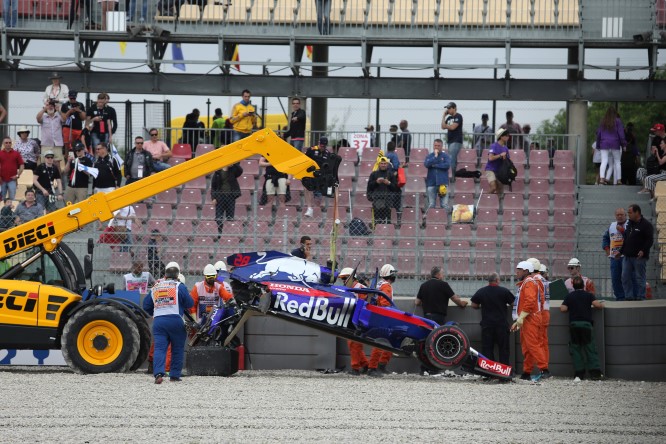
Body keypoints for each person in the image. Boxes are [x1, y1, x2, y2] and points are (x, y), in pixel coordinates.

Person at [142, 261, 194, 384]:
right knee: (177, 348)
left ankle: (158, 374)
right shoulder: (179, 286)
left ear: (165, 274)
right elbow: (190, 303)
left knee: (160, 348)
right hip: (176, 320)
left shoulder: (156, 286)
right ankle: (174, 375)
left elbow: (146, 305)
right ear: (177, 275)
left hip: (159, 321)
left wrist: (156, 311)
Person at [561, 275, 605, 381]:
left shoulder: (569, 296)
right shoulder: (588, 295)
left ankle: (579, 374)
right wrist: (601, 304)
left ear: (573, 285)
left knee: (576, 349)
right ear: (583, 285)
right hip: (586, 325)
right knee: (590, 348)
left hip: (574, 325)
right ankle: (595, 373)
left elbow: (563, 309)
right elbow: (598, 306)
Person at [510, 261, 546, 381]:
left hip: (530, 318)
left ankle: (544, 369)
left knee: (532, 345)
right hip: (528, 318)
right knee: (527, 347)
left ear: (526, 271)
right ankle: (527, 372)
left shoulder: (529, 283)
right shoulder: (527, 283)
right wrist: (519, 320)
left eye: (519, 269)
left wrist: (520, 318)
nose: (517, 272)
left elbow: (530, 302)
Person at [470, 272, 515, 366]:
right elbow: (514, 304)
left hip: (487, 325)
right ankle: (504, 372)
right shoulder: (504, 291)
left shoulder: (482, 291)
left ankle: (490, 372)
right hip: (501, 325)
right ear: (497, 280)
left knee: (487, 349)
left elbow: (474, 305)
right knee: (503, 349)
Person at [367, 264, 398, 377]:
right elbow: (385, 303)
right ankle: (372, 368)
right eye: (393, 273)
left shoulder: (379, 284)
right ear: (389, 275)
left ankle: (381, 366)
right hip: (384, 317)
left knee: (388, 342)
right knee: (381, 342)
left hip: (378, 315)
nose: (395, 276)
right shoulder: (386, 286)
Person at [338, 267, 369, 375]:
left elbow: (367, 305)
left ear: (352, 277)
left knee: (354, 344)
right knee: (353, 344)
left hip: (359, 320)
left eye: (345, 278)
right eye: (342, 279)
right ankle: (365, 365)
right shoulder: (349, 289)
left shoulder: (361, 288)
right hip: (352, 319)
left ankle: (355, 368)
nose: (343, 281)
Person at [620, 204, 654, 301]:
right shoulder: (629, 224)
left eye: (630, 212)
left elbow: (649, 240)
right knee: (625, 277)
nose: (628, 214)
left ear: (637, 212)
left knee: (639, 277)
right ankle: (629, 296)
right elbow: (626, 239)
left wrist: (643, 250)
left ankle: (640, 297)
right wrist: (621, 251)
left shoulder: (646, 225)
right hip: (627, 256)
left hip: (639, 257)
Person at [526, 257, 550, 378]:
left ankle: (543, 369)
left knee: (535, 343)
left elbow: (536, 299)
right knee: (541, 343)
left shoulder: (534, 280)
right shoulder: (543, 279)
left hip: (537, 313)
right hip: (544, 312)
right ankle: (541, 368)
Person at [602, 208, 631, 301]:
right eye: (617, 215)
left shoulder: (630, 224)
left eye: (621, 214)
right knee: (615, 279)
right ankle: (620, 297)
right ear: (615, 216)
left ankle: (629, 297)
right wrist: (606, 249)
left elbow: (632, 238)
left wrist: (622, 230)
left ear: (625, 215)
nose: (619, 216)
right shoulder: (612, 225)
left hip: (626, 257)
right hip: (614, 258)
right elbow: (605, 238)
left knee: (627, 278)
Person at [304, 136, 336, 217]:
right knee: (307, 189)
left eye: (324, 146)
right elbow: (304, 161)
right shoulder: (311, 150)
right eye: (321, 145)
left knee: (318, 198)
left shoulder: (327, 153)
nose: (322, 147)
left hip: (321, 177)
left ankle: (317, 213)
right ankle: (309, 208)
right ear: (319, 143)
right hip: (311, 174)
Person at [595, 106, 626, 185]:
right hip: (615, 143)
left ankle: (602, 178)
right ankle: (619, 180)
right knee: (617, 162)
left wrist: (598, 145)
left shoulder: (603, 121)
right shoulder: (618, 121)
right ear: (615, 113)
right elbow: (621, 134)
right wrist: (623, 144)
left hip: (604, 143)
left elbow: (599, 134)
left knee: (604, 161)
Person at [211, 162, 243, 234]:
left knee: (230, 218)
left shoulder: (233, 170)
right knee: (219, 217)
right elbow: (213, 187)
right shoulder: (217, 172)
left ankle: (228, 234)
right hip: (220, 197)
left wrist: (233, 164)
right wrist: (213, 198)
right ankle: (219, 232)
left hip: (230, 197)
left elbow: (240, 171)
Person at [367, 157, 399, 224]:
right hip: (377, 201)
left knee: (387, 221)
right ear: (379, 164)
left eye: (385, 163)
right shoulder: (373, 174)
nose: (383, 165)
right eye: (382, 163)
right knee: (377, 221)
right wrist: (376, 182)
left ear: (387, 164)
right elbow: (369, 187)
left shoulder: (391, 175)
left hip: (388, 201)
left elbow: (396, 188)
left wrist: (389, 183)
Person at [423, 138, 451, 213]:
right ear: (433, 146)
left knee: (444, 204)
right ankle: (431, 222)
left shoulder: (445, 156)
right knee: (431, 204)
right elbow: (426, 164)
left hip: (443, 183)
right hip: (431, 183)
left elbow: (447, 165)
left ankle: (446, 222)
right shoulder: (430, 156)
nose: (437, 147)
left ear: (442, 146)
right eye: (435, 145)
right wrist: (435, 157)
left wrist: (435, 165)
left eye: (438, 146)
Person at [37, 99, 65, 168]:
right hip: (46, 144)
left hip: (57, 144)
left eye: (52, 106)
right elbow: (37, 118)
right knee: (44, 164)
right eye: (49, 106)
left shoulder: (58, 116)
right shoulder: (43, 117)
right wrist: (44, 109)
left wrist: (59, 110)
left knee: (57, 164)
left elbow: (65, 119)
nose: (50, 107)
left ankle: (58, 178)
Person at [485, 128, 510, 196]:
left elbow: (507, 160)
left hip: (500, 171)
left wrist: (505, 158)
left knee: (500, 191)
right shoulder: (494, 146)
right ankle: (485, 199)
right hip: (490, 169)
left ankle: (497, 205)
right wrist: (500, 155)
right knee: (493, 188)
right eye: (506, 135)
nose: (508, 137)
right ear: (501, 136)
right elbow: (490, 158)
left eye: (508, 135)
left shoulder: (506, 148)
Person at [441, 102, 463, 174]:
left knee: (451, 158)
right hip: (450, 141)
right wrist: (444, 116)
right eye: (447, 108)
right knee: (452, 158)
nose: (448, 110)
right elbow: (442, 126)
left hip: (456, 141)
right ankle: (453, 174)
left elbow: (453, 127)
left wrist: (447, 126)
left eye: (450, 108)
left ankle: (451, 175)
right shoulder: (449, 118)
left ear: (454, 108)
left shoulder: (458, 116)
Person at [0, 137, 24, 201]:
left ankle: (12, 211)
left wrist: (17, 175)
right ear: (3, 144)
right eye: (6, 143)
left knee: (12, 198)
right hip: (2, 180)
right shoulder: (0, 153)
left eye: (9, 142)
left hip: (12, 180)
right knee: (2, 198)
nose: (8, 144)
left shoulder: (16, 153)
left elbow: (22, 165)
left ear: (11, 144)